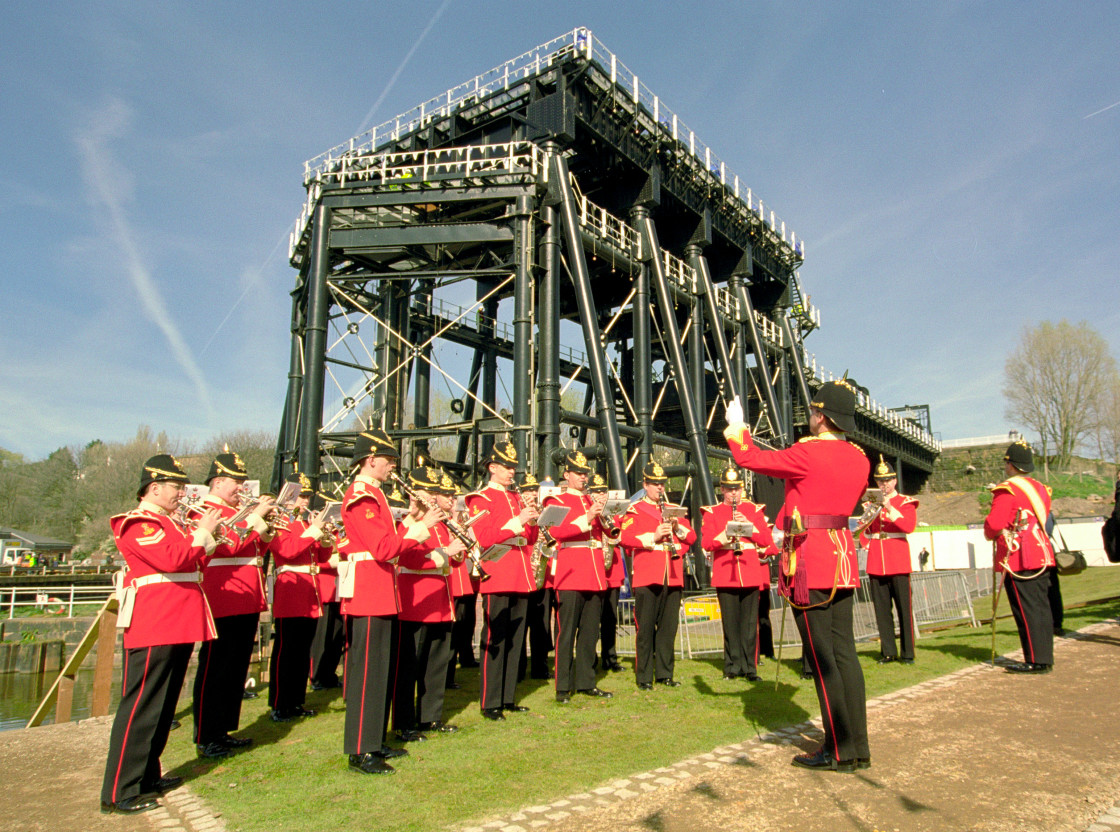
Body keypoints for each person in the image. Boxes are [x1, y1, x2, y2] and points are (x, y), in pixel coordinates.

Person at [724, 381, 870, 773]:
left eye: (813, 411)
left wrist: (737, 428)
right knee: (845, 655)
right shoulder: (860, 457)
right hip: (842, 557)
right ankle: (858, 745)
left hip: (811, 561)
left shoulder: (808, 452)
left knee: (824, 660)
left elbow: (752, 459)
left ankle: (837, 748)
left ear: (821, 416)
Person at [101, 455, 220, 814]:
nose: (181, 494)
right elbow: (172, 559)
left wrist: (205, 539)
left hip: (178, 620)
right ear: (153, 488)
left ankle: (147, 775)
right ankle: (120, 789)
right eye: (175, 487)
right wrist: (202, 535)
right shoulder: (139, 522)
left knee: (163, 705)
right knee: (142, 706)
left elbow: (193, 562)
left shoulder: (170, 522)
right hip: (156, 622)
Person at [340, 428, 443, 775]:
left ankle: (374, 739)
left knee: (381, 672)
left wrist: (413, 519)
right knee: (368, 674)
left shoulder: (374, 495)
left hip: (381, 590)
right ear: (371, 459)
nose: (391, 467)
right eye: (388, 460)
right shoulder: (361, 496)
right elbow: (383, 548)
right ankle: (361, 749)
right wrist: (421, 526)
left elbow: (389, 542)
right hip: (369, 592)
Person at [190, 451, 275, 759]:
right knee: (216, 667)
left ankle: (224, 729)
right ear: (218, 481)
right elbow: (228, 546)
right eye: (235, 482)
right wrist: (254, 520)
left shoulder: (237, 511)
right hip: (223, 595)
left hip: (246, 594)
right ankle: (206, 735)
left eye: (241, 482)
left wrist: (265, 529)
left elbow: (254, 547)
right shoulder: (205, 509)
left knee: (237, 666)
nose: (241, 488)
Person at [465, 441, 540, 720]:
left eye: (513, 467)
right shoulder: (480, 499)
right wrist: (519, 519)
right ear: (492, 467)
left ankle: (507, 697)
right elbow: (485, 537)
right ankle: (490, 701)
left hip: (520, 573)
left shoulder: (517, 498)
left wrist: (531, 521)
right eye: (507, 467)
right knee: (495, 639)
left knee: (515, 639)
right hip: (498, 572)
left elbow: (529, 539)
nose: (512, 472)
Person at [393, 466, 467, 739]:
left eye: (436, 493)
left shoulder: (440, 523)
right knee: (409, 669)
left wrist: (457, 551)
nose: (435, 498)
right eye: (430, 492)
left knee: (436, 664)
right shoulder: (409, 523)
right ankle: (404, 722)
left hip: (440, 600)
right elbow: (408, 559)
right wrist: (447, 553)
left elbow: (452, 558)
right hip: (417, 601)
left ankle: (430, 717)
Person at [544, 453, 617, 702]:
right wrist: (586, 518)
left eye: (585, 472)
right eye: (578, 472)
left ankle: (586, 681)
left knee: (589, 633)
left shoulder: (590, 499)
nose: (583, 477)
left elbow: (609, 531)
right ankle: (563, 686)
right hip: (571, 572)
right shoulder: (556, 499)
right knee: (566, 633)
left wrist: (604, 512)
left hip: (595, 573)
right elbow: (553, 531)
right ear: (566, 475)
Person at [618, 461, 696, 690]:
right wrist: (653, 536)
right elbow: (626, 537)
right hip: (647, 574)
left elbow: (690, 538)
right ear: (645, 484)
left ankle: (665, 673)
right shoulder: (635, 509)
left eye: (661, 484)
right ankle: (643, 677)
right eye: (654, 484)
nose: (659, 488)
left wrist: (676, 528)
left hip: (672, 575)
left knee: (668, 628)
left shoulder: (674, 509)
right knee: (645, 628)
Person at [983, 440, 1056, 673]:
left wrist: (989, 529)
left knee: (1026, 610)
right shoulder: (1041, 488)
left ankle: (1035, 660)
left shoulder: (1008, 489)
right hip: (1041, 551)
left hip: (1019, 556)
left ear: (1010, 464)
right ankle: (1043, 656)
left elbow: (994, 523)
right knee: (1041, 608)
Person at [700, 465, 777, 682]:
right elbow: (707, 543)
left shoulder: (754, 510)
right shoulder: (713, 512)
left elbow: (767, 542)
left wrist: (749, 526)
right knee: (730, 624)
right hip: (726, 572)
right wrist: (724, 535)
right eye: (729, 488)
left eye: (737, 488)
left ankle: (750, 667)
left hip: (750, 571)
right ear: (722, 490)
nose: (734, 493)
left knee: (750, 624)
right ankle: (732, 666)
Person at [267, 473, 331, 720]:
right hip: (291, 588)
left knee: (303, 650)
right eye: (300, 496)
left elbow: (322, 557)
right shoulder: (279, 521)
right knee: (286, 651)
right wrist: (314, 531)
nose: (304, 501)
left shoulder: (304, 524)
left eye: (306, 496)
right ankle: (280, 703)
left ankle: (296, 701)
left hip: (308, 590)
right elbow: (288, 550)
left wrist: (324, 536)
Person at [859, 457, 919, 665]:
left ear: (894, 481)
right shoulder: (870, 504)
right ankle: (887, 651)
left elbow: (908, 526)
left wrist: (889, 507)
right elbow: (864, 529)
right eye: (880, 481)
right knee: (881, 610)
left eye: (887, 480)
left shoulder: (905, 502)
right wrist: (865, 541)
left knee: (904, 609)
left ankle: (908, 652)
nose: (883, 485)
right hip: (877, 559)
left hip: (897, 559)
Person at [593, 472, 626, 674]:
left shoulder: (615, 514)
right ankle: (591, 657)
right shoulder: (590, 511)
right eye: (597, 492)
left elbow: (622, 535)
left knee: (610, 617)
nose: (601, 496)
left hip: (612, 570)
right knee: (591, 618)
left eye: (603, 492)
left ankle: (610, 657)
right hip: (595, 570)